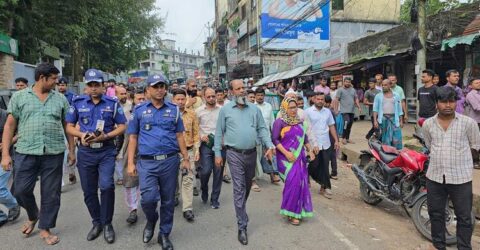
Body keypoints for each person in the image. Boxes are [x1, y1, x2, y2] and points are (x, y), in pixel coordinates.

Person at [1, 63, 75, 245]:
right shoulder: (19, 97)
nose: (57, 83)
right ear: (42, 78)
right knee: (20, 190)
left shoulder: (60, 99)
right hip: (26, 151)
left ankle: (45, 228)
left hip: (54, 151)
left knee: (51, 193)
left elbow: (68, 126)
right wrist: (5, 154)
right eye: (54, 79)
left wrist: (72, 150)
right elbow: (9, 126)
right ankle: (33, 215)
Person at [126, 74, 190, 249]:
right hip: (147, 163)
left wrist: (186, 158)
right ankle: (151, 220)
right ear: (148, 90)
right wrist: (130, 163)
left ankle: (164, 233)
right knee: (148, 199)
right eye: (156, 86)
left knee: (168, 200)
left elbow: (179, 136)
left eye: (162, 86)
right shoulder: (139, 111)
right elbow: (133, 137)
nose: (160, 89)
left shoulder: (174, 109)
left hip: (170, 161)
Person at [65, 69, 127, 244]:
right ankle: (96, 222)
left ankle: (107, 223)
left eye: (97, 85)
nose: (93, 88)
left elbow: (122, 126)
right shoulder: (77, 102)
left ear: (103, 86)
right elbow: (69, 126)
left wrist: (106, 136)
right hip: (85, 152)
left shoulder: (112, 103)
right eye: (90, 85)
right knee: (89, 191)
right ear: (86, 86)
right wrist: (80, 135)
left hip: (106, 150)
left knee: (107, 186)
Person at [214, 79, 275, 245]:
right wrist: (218, 153)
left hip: (251, 154)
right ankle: (242, 225)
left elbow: (262, 129)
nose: (242, 90)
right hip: (233, 154)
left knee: (247, 186)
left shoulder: (254, 109)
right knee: (239, 188)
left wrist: (269, 145)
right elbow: (219, 133)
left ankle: (241, 209)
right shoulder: (225, 110)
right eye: (238, 88)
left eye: (244, 88)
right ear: (232, 92)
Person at [422, 87, 480, 250]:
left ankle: (464, 247)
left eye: (451, 101)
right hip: (435, 177)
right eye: (443, 101)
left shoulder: (468, 123)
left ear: (456, 102)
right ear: (436, 103)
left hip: (460, 178)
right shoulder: (428, 124)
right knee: (436, 215)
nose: (448, 105)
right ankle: (438, 246)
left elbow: (476, 146)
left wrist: (459, 160)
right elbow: (429, 144)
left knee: (464, 217)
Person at [272, 97, 315, 226]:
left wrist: (310, 150)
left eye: (295, 107)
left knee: (300, 184)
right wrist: (287, 153)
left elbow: (304, 138)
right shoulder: (279, 122)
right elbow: (275, 139)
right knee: (292, 183)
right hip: (286, 159)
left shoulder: (300, 122)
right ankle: (291, 211)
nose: (293, 110)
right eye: (290, 107)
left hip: (299, 158)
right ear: (285, 108)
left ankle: (296, 211)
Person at [171, 89, 200, 221]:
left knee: (187, 178)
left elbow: (196, 133)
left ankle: (187, 208)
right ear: (173, 100)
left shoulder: (192, 114)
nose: (181, 102)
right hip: (171, 152)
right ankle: (175, 196)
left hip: (188, 152)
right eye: (178, 99)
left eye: (183, 99)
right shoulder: (168, 114)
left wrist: (197, 149)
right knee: (173, 179)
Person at [305, 92, 339, 199]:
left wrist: (336, 140)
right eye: (318, 99)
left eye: (322, 99)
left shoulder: (328, 112)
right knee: (313, 165)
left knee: (325, 165)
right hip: (313, 144)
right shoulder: (308, 112)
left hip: (325, 143)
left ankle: (325, 187)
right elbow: (306, 129)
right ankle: (308, 178)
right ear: (314, 99)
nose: (320, 101)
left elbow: (331, 126)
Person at [196, 88, 226, 209]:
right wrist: (200, 136)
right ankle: (204, 189)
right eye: (208, 97)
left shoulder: (222, 110)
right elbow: (195, 128)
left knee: (218, 172)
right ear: (204, 97)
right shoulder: (199, 111)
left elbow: (227, 125)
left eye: (213, 96)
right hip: (206, 145)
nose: (211, 99)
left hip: (220, 145)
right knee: (206, 171)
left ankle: (215, 199)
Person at [121, 90, 146, 225]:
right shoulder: (126, 115)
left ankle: (147, 205)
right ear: (133, 100)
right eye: (139, 99)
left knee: (147, 180)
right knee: (130, 181)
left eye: (143, 99)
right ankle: (133, 210)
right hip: (130, 152)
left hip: (147, 153)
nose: (141, 101)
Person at [254, 88, 280, 185]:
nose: (260, 97)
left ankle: (273, 175)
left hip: (267, 136)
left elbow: (272, 122)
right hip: (256, 137)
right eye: (258, 95)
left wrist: (274, 136)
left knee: (270, 155)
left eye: (262, 95)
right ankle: (254, 179)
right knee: (256, 157)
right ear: (255, 96)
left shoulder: (269, 106)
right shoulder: (252, 107)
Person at [0, 108, 20, 227]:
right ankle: (1, 217)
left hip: (5, 157)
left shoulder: (5, 115)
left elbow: (20, 133)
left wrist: (7, 143)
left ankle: (13, 205)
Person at [57, 77, 78, 186]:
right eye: (59, 85)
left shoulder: (73, 97)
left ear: (66, 86)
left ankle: (71, 172)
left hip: (70, 128)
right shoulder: (54, 96)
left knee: (71, 152)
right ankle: (60, 181)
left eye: (63, 85)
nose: (61, 87)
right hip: (57, 129)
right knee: (61, 154)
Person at [373, 79, 404, 149]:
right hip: (383, 119)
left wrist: (401, 120)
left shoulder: (396, 95)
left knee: (397, 136)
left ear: (390, 85)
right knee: (385, 137)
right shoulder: (378, 96)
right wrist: (375, 121)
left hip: (394, 119)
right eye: (382, 85)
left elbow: (399, 109)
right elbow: (375, 109)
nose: (383, 86)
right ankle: (387, 153)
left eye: (385, 85)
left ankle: (397, 152)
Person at [114, 86, 132, 186]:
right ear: (116, 95)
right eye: (121, 94)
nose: (124, 96)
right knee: (118, 155)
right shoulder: (113, 105)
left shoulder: (130, 105)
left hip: (129, 134)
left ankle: (126, 175)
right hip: (116, 134)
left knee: (126, 154)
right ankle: (120, 176)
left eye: (125, 93)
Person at [334, 78, 361, 145]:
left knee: (350, 124)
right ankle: (343, 138)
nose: (347, 83)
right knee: (346, 122)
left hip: (351, 110)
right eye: (346, 82)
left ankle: (347, 138)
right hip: (344, 111)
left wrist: (359, 107)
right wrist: (336, 110)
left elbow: (356, 98)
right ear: (344, 82)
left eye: (349, 82)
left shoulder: (353, 90)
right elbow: (336, 100)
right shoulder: (340, 90)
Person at [464, 78, 480, 169]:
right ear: (471, 85)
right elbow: (477, 107)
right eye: (476, 83)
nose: (479, 84)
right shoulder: (471, 95)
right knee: (475, 142)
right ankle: (475, 161)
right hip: (475, 121)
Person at [324, 96, 338, 180]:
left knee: (329, 155)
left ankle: (331, 173)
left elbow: (331, 126)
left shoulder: (328, 112)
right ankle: (334, 173)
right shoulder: (331, 111)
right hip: (332, 136)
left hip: (330, 136)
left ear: (328, 103)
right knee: (332, 156)